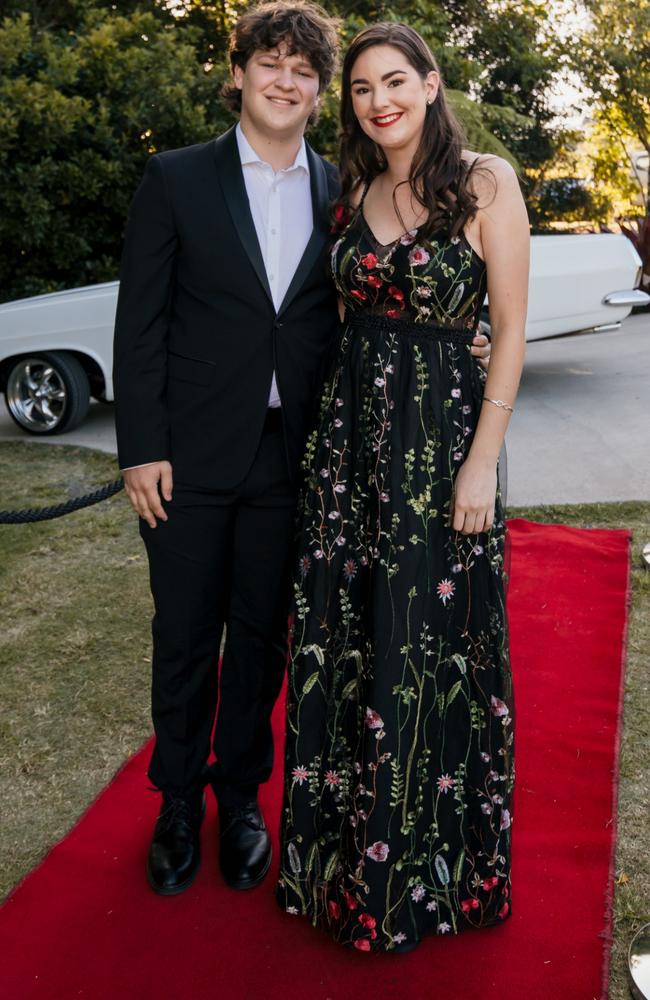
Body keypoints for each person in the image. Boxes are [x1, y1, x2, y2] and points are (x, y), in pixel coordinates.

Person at [113, 1, 491, 899]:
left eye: (303, 70)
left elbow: (379, 301)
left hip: (302, 459)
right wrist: (141, 447)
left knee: (261, 641)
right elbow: (141, 322)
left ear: (320, 93)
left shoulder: (343, 190)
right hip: (190, 462)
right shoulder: (175, 177)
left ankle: (240, 799)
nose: (285, 80)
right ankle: (176, 805)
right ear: (238, 71)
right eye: (268, 63)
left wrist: (467, 340)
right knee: (183, 636)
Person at [276, 22, 528, 953]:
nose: (377, 100)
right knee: (348, 644)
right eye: (360, 89)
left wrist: (480, 461)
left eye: (394, 81)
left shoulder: (486, 181)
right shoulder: (352, 191)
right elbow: (347, 321)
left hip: (443, 448)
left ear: (430, 84)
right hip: (350, 450)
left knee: (430, 649)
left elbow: (507, 331)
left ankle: (430, 878)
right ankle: (342, 867)